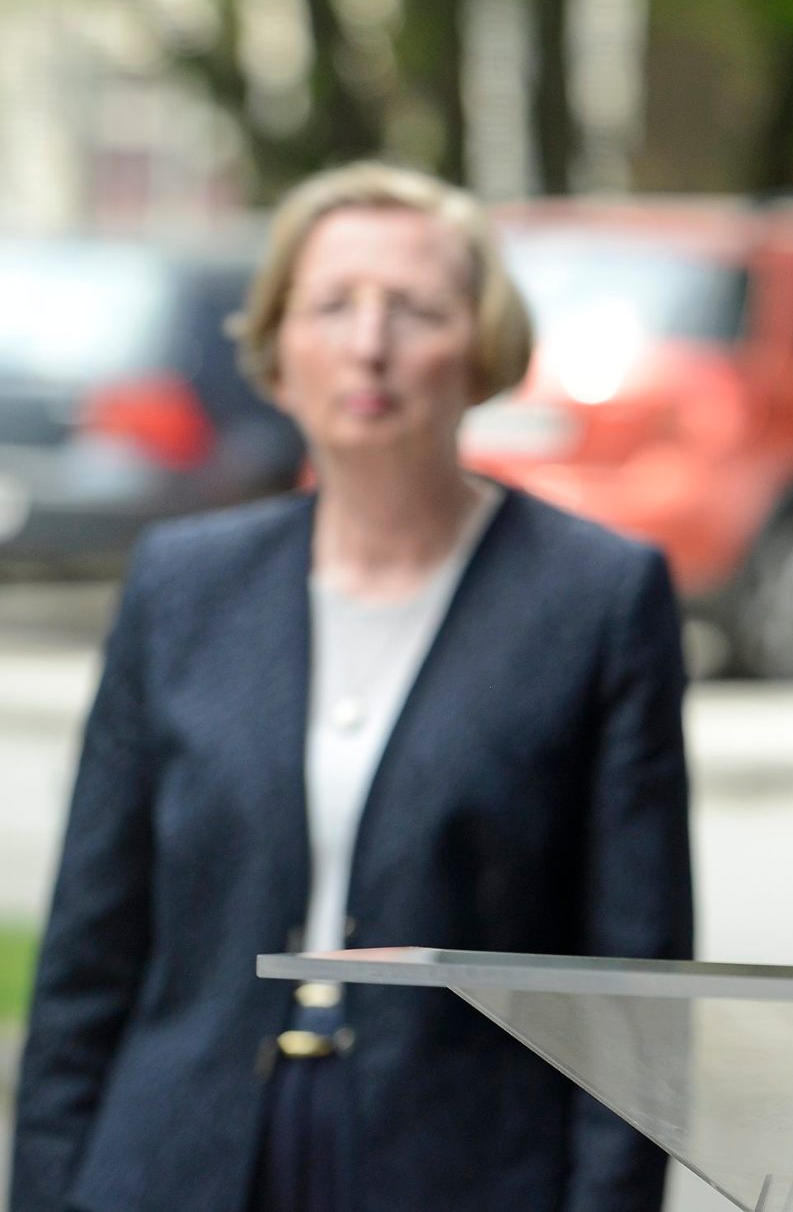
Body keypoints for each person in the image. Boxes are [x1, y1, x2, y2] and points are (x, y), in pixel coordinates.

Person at [11, 164, 693, 1212]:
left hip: (465, 1169)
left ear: (483, 348)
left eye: (414, 309)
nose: (368, 344)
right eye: (331, 306)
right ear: (278, 350)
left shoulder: (595, 599)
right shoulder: (181, 586)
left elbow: (635, 988)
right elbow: (88, 958)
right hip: (171, 1161)